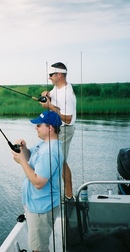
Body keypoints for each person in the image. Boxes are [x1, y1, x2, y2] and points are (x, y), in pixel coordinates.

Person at [11, 110, 63, 252]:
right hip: (36, 205)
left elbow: (39, 183)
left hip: (41, 208)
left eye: (39, 125)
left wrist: (21, 162)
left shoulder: (50, 152)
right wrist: (24, 149)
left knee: (38, 249)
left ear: (50, 128)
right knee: (37, 246)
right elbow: (29, 157)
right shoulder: (43, 145)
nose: (36, 127)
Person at [40, 62, 77, 201]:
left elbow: (68, 119)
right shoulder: (57, 88)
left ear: (59, 75)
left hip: (65, 129)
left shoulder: (67, 94)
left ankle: (68, 196)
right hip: (57, 128)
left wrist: (49, 106)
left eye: (51, 75)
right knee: (56, 160)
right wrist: (46, 95)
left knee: (61, 162)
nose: (49, 77)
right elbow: (54, 100)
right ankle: (64, 194)